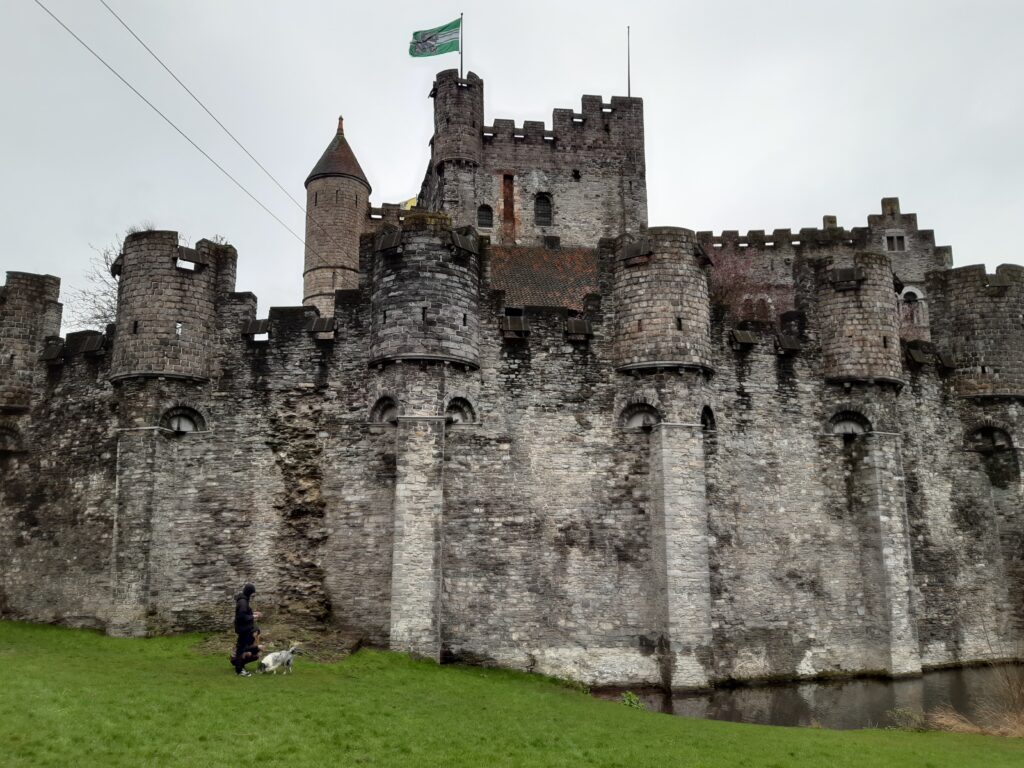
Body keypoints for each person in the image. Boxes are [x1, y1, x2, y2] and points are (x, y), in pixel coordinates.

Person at [231, 583, 263, 676]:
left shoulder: (244, 601)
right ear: (249, 592)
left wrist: (253, 613)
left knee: (241, 649)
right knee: (240, 649)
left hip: (244, 628)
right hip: (243, 629)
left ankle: (239, 669)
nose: (252, 595)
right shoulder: (243, 602)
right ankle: (239, 670)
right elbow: (242, 617)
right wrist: (253, 616)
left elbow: (245, 613)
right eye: (252, 593)